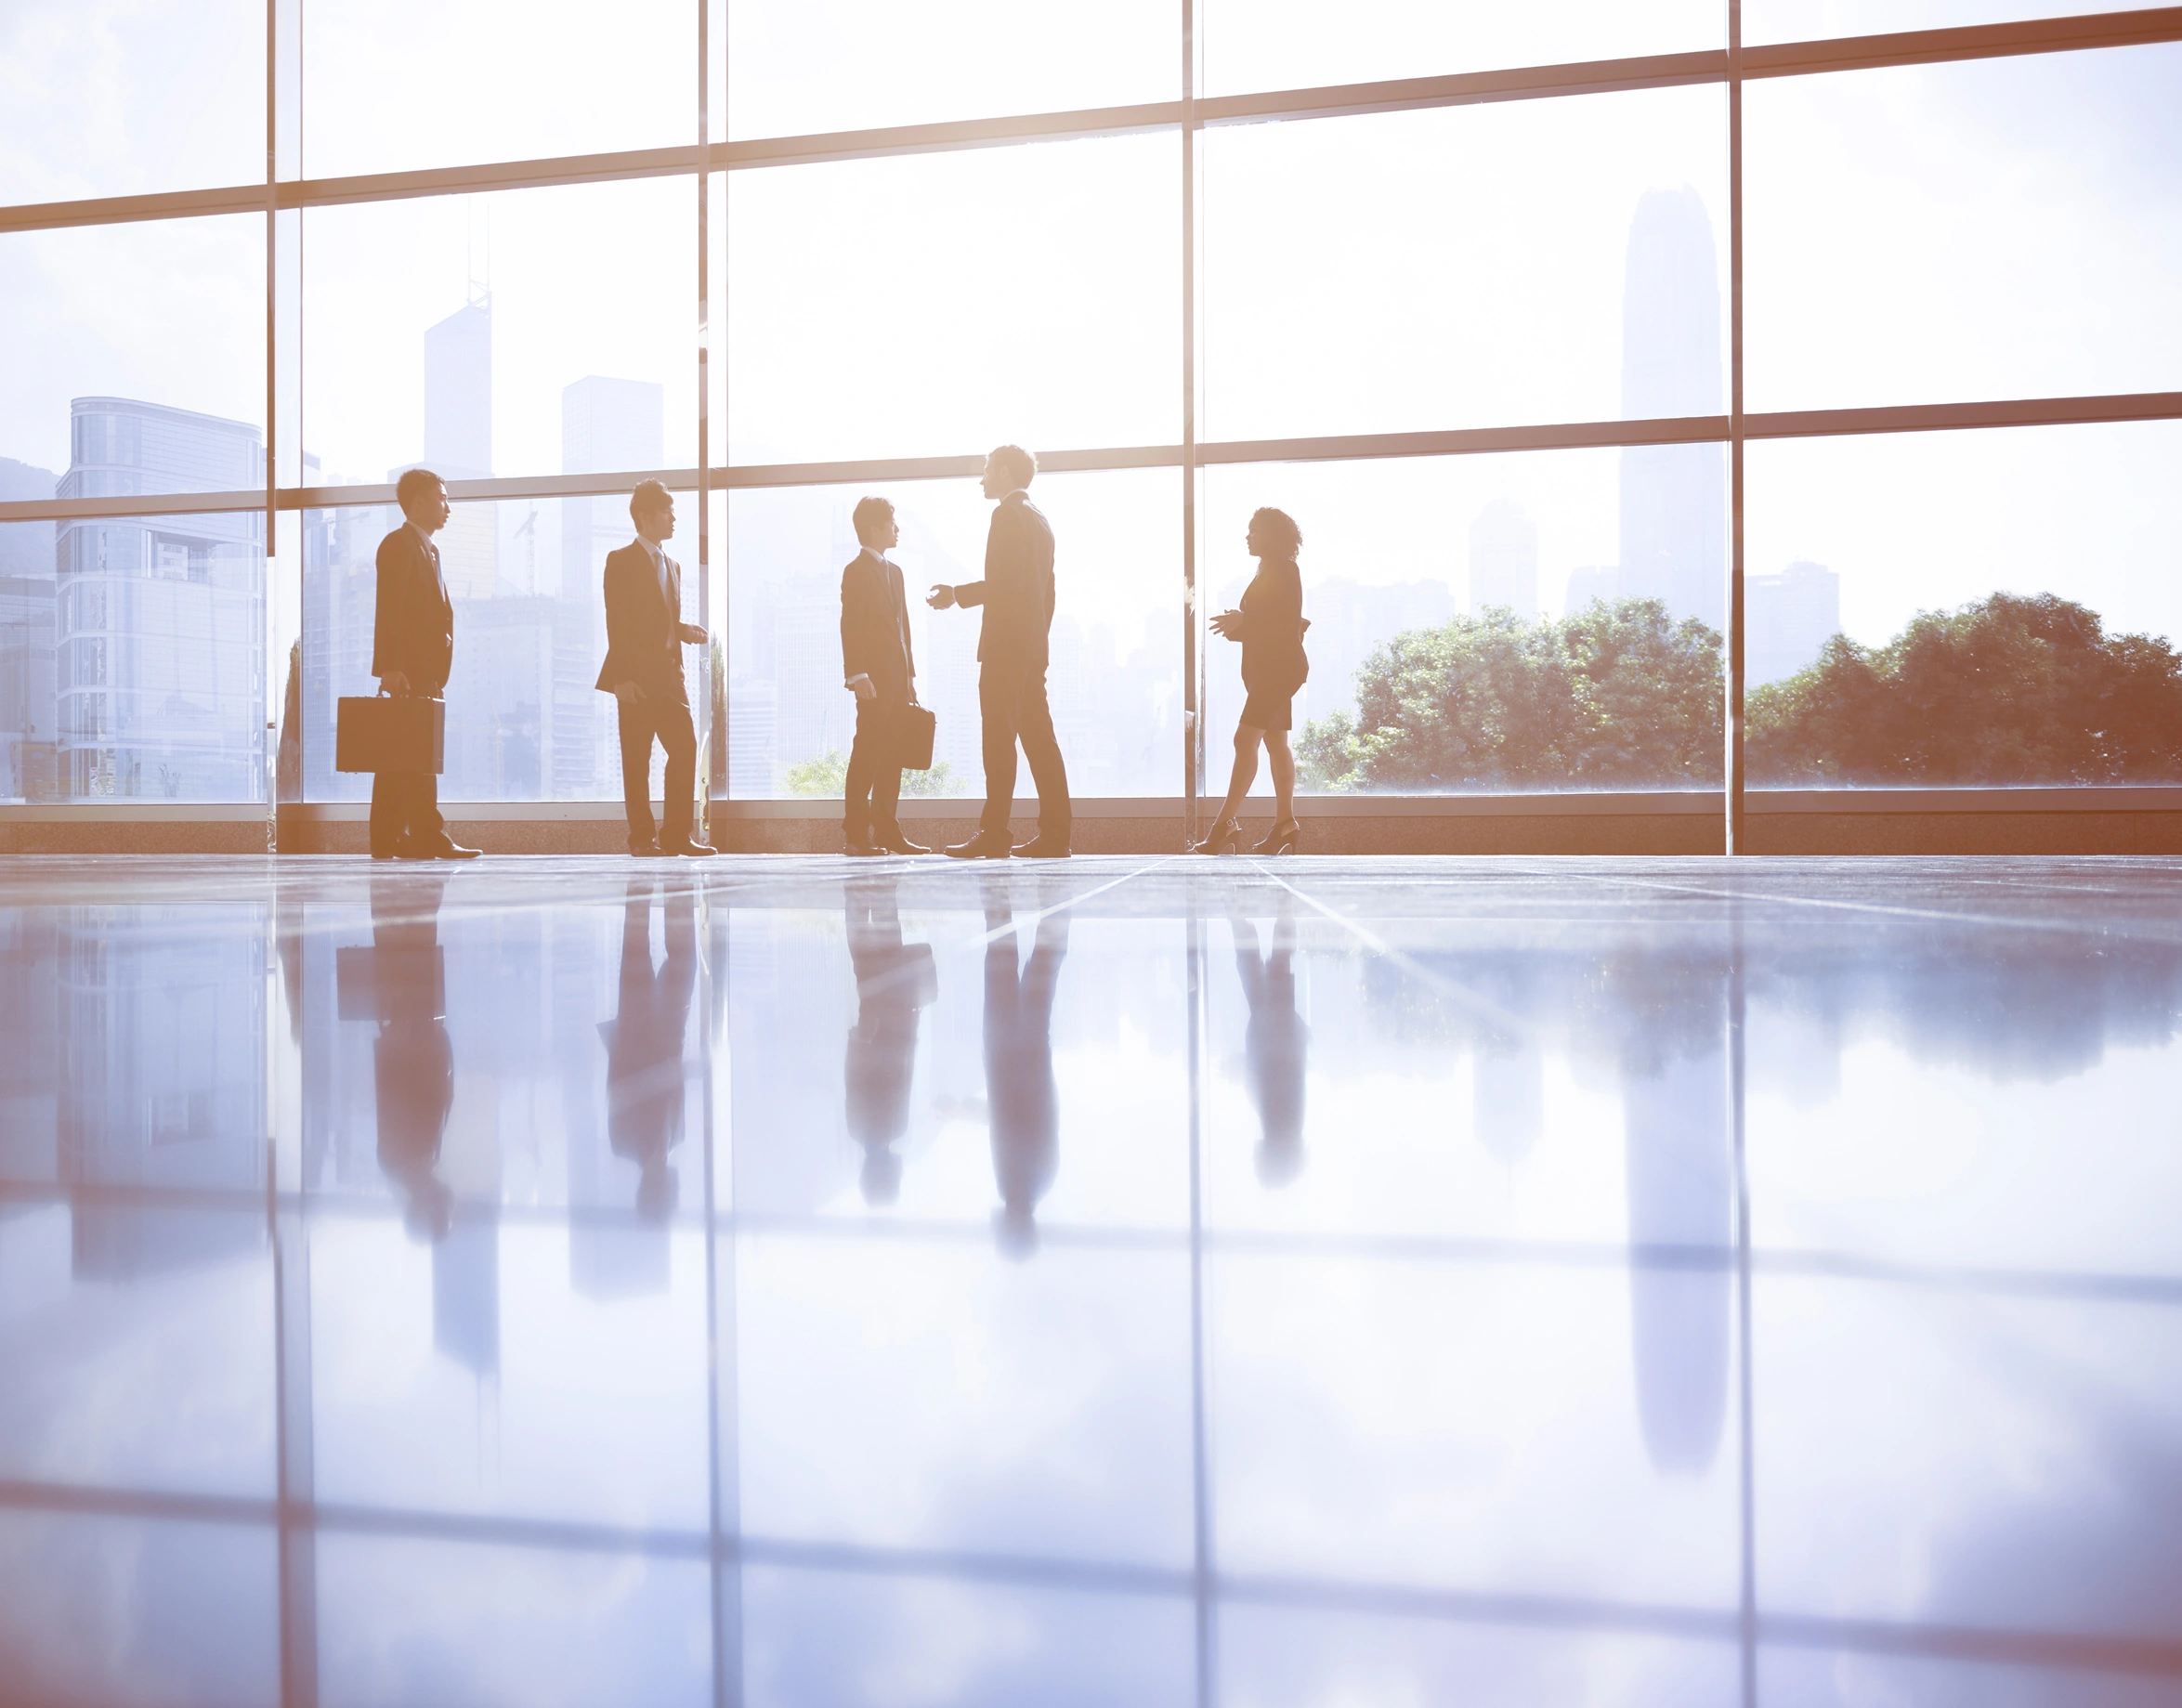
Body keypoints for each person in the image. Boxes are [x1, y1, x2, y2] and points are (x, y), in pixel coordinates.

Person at [927, 445, 1070, 858]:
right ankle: (1057, 835)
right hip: (1031, 648)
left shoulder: (1005, 515)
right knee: (1041, 742)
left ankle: (994, 834)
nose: (982, 479)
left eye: (988, 470)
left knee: (998, 741)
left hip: (1006, 647)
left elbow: (1004, 583)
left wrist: (957, 594)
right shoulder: (1041, 521)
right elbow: (1049, 593)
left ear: (1005, 472)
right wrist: (1037, 638)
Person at [597, 479, 717, 856]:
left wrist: (682, 630)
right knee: (637, 759)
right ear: (645, 516)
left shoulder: (674, 565)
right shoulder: (621, 560)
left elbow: (661, 619)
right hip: (636, 678)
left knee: (684, 750)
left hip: (670, 676)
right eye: (668, 512)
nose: (674, 518)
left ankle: (677, 835)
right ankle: (642, 839)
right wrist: (621, 679)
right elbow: (617, 622)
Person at [371, 468, 478, 859]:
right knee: (400, 759)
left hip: (427, 673)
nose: (447, 507)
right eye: (442, 498)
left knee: (415, 759)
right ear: (419, 501)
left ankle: (415, 837)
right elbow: (389, 611)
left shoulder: (429, 550)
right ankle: (403, 838)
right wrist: (390, 667)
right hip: (407, 672)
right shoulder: (398, 545)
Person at [1198, 506, 1308, 855]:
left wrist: (1244, 620)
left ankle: (1224, 826)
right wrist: (1239, 625)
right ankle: (1285, 825)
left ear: (1272, 535)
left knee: (1244, 739)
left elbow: (1284, 623)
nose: (1248, 537)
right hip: (1270, 670)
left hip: (1280, 671)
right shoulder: (1268, 572)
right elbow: (1268, 625)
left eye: (1254, 530)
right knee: (1276, 743)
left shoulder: (1286, 570)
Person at [840, 496, 925, 856]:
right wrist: (858, 675)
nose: (897, 529)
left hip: (896, 681)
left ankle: (888, 831)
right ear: (874, 528)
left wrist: (909, 677)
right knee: (868, 753)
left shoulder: (896, 572)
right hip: (871, 681)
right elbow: (851, 626)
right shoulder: (855, 570)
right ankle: (857, 834)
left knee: (892, 754)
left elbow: (902, 628)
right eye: (892, 523)